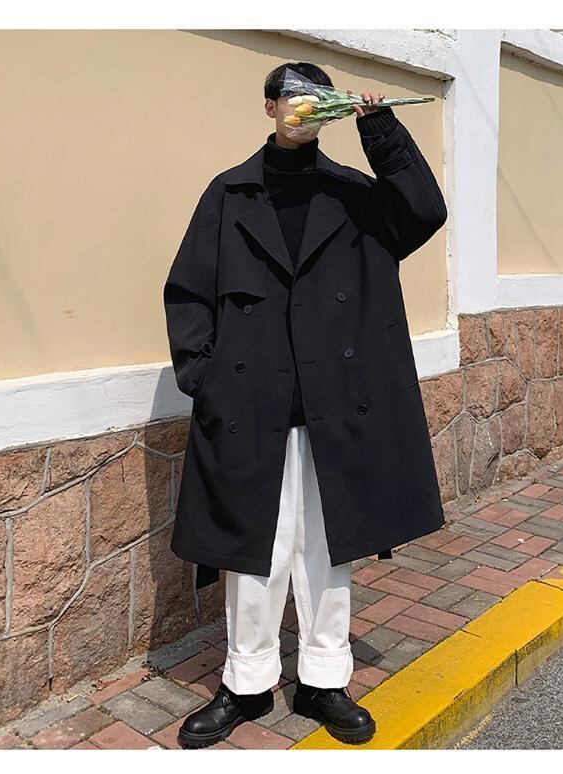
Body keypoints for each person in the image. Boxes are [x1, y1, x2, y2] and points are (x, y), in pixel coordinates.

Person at [164, 62, 448, 748]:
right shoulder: (227, 193)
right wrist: (205, 377)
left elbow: (423, 212)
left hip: (337, 405)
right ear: (269, 107)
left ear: (329, 109)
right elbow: (188, 290)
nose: (301, 107)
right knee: (254, 550)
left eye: (315, 97)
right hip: (249, 405)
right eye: (290, 95)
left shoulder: (355, 193)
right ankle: (247, 683)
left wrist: (379, 130)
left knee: (327, 546)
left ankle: (324, 678)